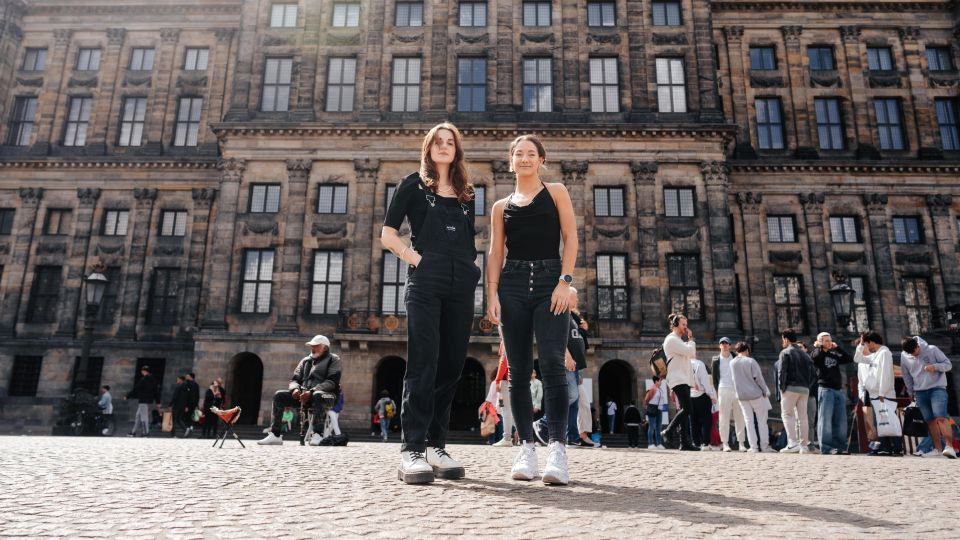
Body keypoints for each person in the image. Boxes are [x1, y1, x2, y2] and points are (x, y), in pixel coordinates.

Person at [381, 123, 480, 484]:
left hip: (461, 282)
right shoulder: (413, 184)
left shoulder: (467, 192)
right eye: (437, 142)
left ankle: (437, 445)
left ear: (457, 149)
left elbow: (468, 241)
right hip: (426, 279)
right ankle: (412, 450)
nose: (443, 146)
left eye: (449, 142)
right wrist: (415, 258)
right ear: (428, 147)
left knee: (452, 365)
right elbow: (387, 234)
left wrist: (471, 268)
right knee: (424, 362)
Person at [487, 134, 579, 485]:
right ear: (510, 160)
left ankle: (557, 448)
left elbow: (570, 237)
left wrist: (564, 281)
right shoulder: (500, 206)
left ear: (542, 159)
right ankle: (526, 447)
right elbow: (496, 254)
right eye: (518, 154)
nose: (524, 159)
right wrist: (492, 294)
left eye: (531, 154)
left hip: (549, 282)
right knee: (518, 370)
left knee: (554, 363)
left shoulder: (556, 192)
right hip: (511, 284)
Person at [257, 335, 342, 446]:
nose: (312, 348)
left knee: (317, 395)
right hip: (304, 396)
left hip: (327, 396)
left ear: (325, 348)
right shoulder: (305, 360)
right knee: (279, 395)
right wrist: (295, 389)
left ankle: (318, 434)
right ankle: (275, 434)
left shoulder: (333, 359)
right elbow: (294, 380)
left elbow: (332, 382)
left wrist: (311, 391)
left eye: (316, 346)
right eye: (312, 346)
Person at [900, 336, 956, 459]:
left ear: (918, 346)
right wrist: (910, 392)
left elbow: (948, 365)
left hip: (937, 388)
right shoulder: (904, 357)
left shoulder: (932, 349)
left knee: (940, 417)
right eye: (910, 353)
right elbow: (906, 375)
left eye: (914, 351)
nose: (913, 355)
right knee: (929, 421)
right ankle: (937, 450)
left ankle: (949, 447)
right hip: (919, 392)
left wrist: (935, 367)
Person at [853, 331, 899, 456]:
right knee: (882, 421)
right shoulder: (876, 355)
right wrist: (861, 344)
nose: (867, 346)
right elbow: (857, 358)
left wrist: (882, 392)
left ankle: (895, 447)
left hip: (884, 393)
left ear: (872, 342)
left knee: (889, 419)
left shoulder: (884, 352)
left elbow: (885, 374)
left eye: (867, 343)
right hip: (875, 393)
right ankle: (886, 447)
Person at [661, 313, 699, 451]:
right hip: (678, 379)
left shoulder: (678, 340)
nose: (686, 327)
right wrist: (691, 338)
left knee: (685, 410)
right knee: (688, 409)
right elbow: (691, 352)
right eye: (683, 324)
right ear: (676, 325)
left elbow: (688, 354)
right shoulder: (671, 340)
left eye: (686, 324)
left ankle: (684, 442)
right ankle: (668, 431)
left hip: (683, 378)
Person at [811, 332, 853, 455]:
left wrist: (837, 347)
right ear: (820, 342)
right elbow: (815, 357)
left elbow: (848, 358)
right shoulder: (816, 353)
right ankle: (826, 447)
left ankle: (840, 446)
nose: (829, 343)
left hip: (838, 390)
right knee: (825, 419)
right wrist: (819, 346)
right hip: (826, 390)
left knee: (840, 420)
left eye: (830, 340)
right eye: (826, 341)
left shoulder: (834, 354)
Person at [776, 330, 816, 454]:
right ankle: (803, 446)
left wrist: (781, 387)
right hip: (804, 389)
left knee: (787, 415)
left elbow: (782, 372)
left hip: (790, 387)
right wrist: (807, 386)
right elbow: (812, 373)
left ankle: (792, 443)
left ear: (786, 339)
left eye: (783, 339)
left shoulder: (785, 352)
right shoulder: (805, 355)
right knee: (803, 418)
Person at [730, 342, 774, 453]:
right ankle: (764, 446)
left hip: (742, 396)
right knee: (762, 421)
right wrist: (765, 391)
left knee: (748, 421)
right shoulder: (750, 361)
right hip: (755, 394)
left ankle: (753, 446)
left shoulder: (732, 363)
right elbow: (759, 378)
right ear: (747, 350)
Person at [711, 337, 747, 452]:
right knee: (723, 418)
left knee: (739, 417)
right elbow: (714, 378)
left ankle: (741, 443)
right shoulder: (715, 359)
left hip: (736, 390)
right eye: (722, 343)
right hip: (723, 389)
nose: (724, 345)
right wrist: (717, 392)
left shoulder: (736, 358)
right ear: (719, 346)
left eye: (726, 343)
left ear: (730, 345)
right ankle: (725, 443)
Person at [689, 358, 717, 450]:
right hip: (701, 395)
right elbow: (705, 383)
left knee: (693, 421)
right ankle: (705, 443)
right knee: (706, 421)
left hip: (690, 395)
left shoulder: (683, 363)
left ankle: (696, 443)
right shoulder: (699, 364)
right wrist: (712, 396)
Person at [126, 365, 160, 437]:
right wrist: (158, 401)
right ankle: (133, 432)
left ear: (143, 371)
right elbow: (156, 391)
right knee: (138, 416)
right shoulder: (153, 379)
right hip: (148, 400)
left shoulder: (143, 379)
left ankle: (146, 432)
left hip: (143, 400)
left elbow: (136, 389)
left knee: (144, 417)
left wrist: (127, 396)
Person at [492, 343, 515, 447]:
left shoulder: (505, 339)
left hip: (507, 379)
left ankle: (507, 437)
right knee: (507, 409)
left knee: (505, 409)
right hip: (516, 377)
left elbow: (503, 361)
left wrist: (497, 380)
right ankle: (521, 435)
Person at [644, 377, 668, 449]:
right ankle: (650, 444)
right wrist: (647, 406)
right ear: (656, 381)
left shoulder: (660, 389)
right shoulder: (652, 389)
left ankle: (659, 443)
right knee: (651, 426)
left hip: (659, 409)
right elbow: (646, 399)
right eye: (660, 381)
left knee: (658, 427)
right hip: (653, 408)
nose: (661, 382)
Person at [184, 372, 200, 437]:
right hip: (194, 404)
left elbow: (189, 395)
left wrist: (186, 405)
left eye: (187, 376)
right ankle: (191, 426)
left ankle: (188, 427)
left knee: (187, 416)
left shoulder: (188, 384)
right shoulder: (196, 384)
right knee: (191, 416)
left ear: (190, 377)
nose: (186, 377)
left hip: (189, 404)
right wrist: (196, 404)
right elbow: (197, 396)